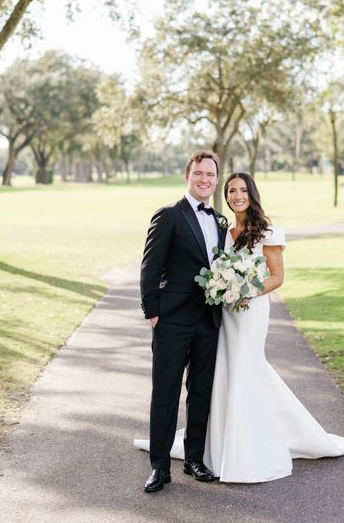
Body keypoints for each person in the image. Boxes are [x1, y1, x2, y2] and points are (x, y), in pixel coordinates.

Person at [136, 170, 344, 484]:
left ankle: (244, 449)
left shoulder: (267, 231)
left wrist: (242, 290)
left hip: (249, 310)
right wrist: (155, 309)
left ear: (252, 193)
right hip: (223, 314)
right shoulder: (224, 227)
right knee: (221, 376)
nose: (237, 196)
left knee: (245, 370)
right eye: (231, 191)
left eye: (242, 190)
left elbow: (277, 277)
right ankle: (209, 451)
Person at [139, 150, 227, 493]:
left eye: (211, 174)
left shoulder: (220, 221)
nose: (205, 179)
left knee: (201, 391)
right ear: (187, 176)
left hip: (208, 320)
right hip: (172, 321)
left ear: (216, 179)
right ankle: (160, 467)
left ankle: (194, 459)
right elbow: (150, 267)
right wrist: (152, 312)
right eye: (199, 174)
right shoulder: (169, 215)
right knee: (165, 393)